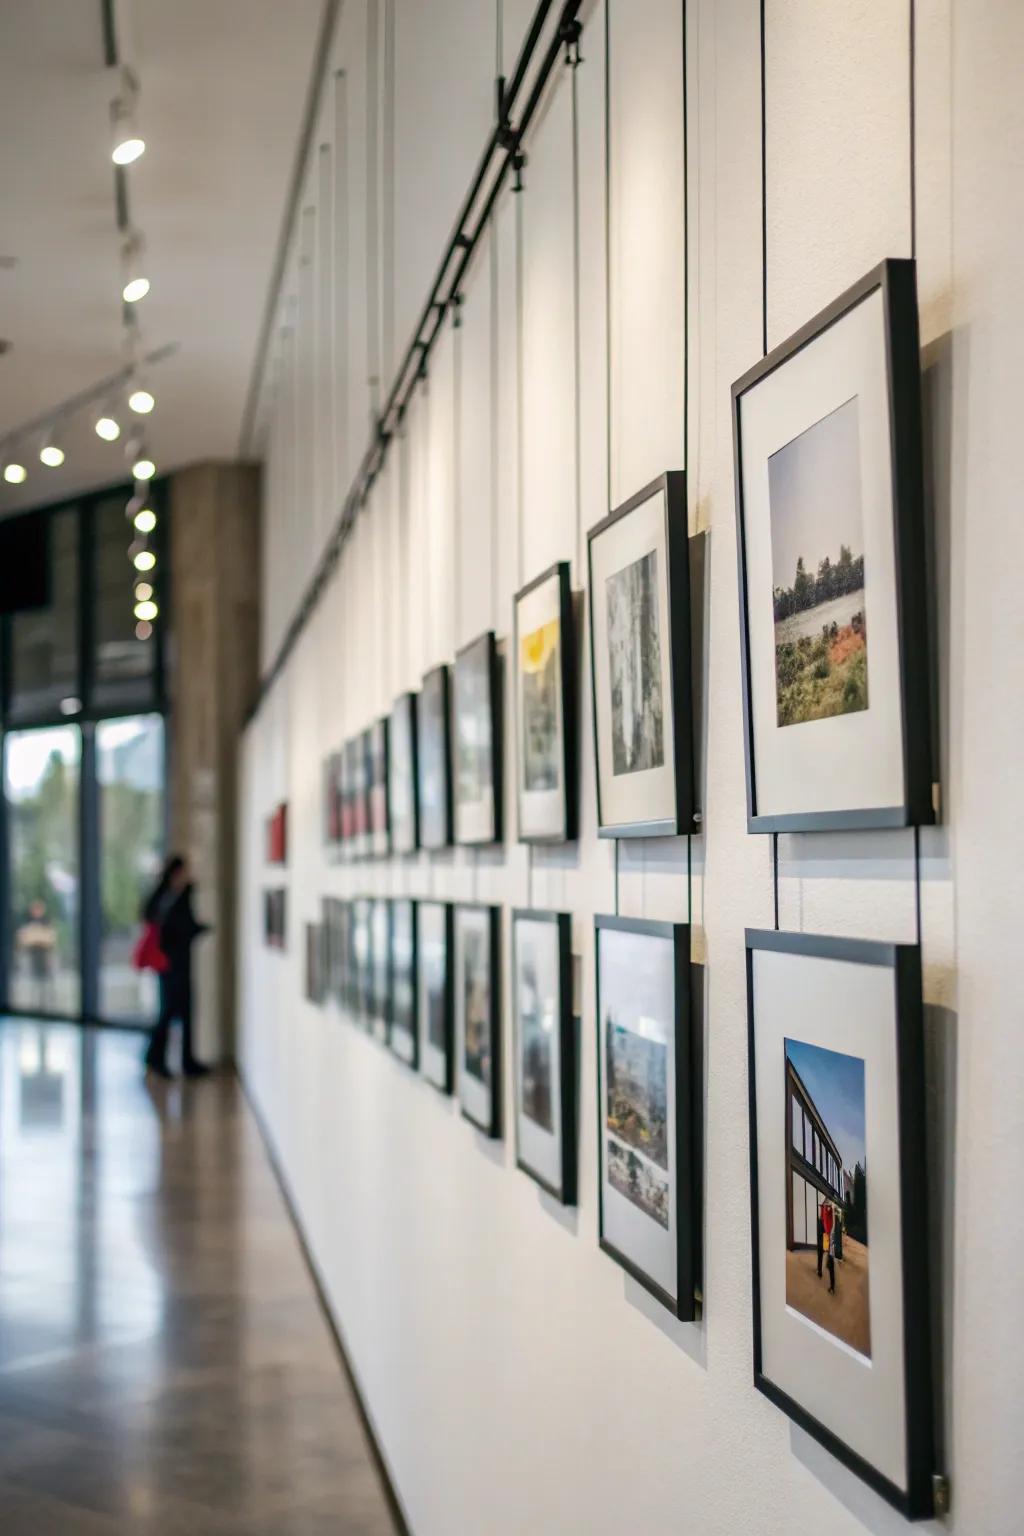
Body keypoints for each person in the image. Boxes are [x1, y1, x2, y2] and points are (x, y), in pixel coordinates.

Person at [142, 856, 212, 1079]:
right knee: (169, 1010)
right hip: (169, 964)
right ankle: (156, 1057)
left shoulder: (179, 894)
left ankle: (184, 1060)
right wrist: (197, 929)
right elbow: (177, 927)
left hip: (178, 962)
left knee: (184, 1010)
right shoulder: (167, 896)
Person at [17, 899, 57, 1012]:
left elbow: (51, 938)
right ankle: (35, 1006)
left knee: (46, 981)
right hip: (33, 955)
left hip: (44, 955)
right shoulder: (28, 922)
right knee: (34, 981)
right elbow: (23, 939)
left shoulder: (46, 922)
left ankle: (47, 1005)